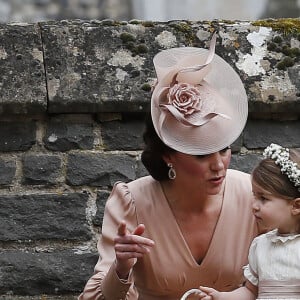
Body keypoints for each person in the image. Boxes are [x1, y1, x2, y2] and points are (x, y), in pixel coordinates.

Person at [79, 33, 259, 300]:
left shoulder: (254, 197)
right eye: (202, 155)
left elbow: (282, 281)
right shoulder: (132, 202)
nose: (218, 165)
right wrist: (121, 268)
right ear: (168, 156)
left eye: (224, 149)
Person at [197, 143, 300, 300]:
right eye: (255, 196)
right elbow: (250, 292)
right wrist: (221, 296)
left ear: (296, 206)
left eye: (263, 198)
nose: (254, 206)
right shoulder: (260, 245)